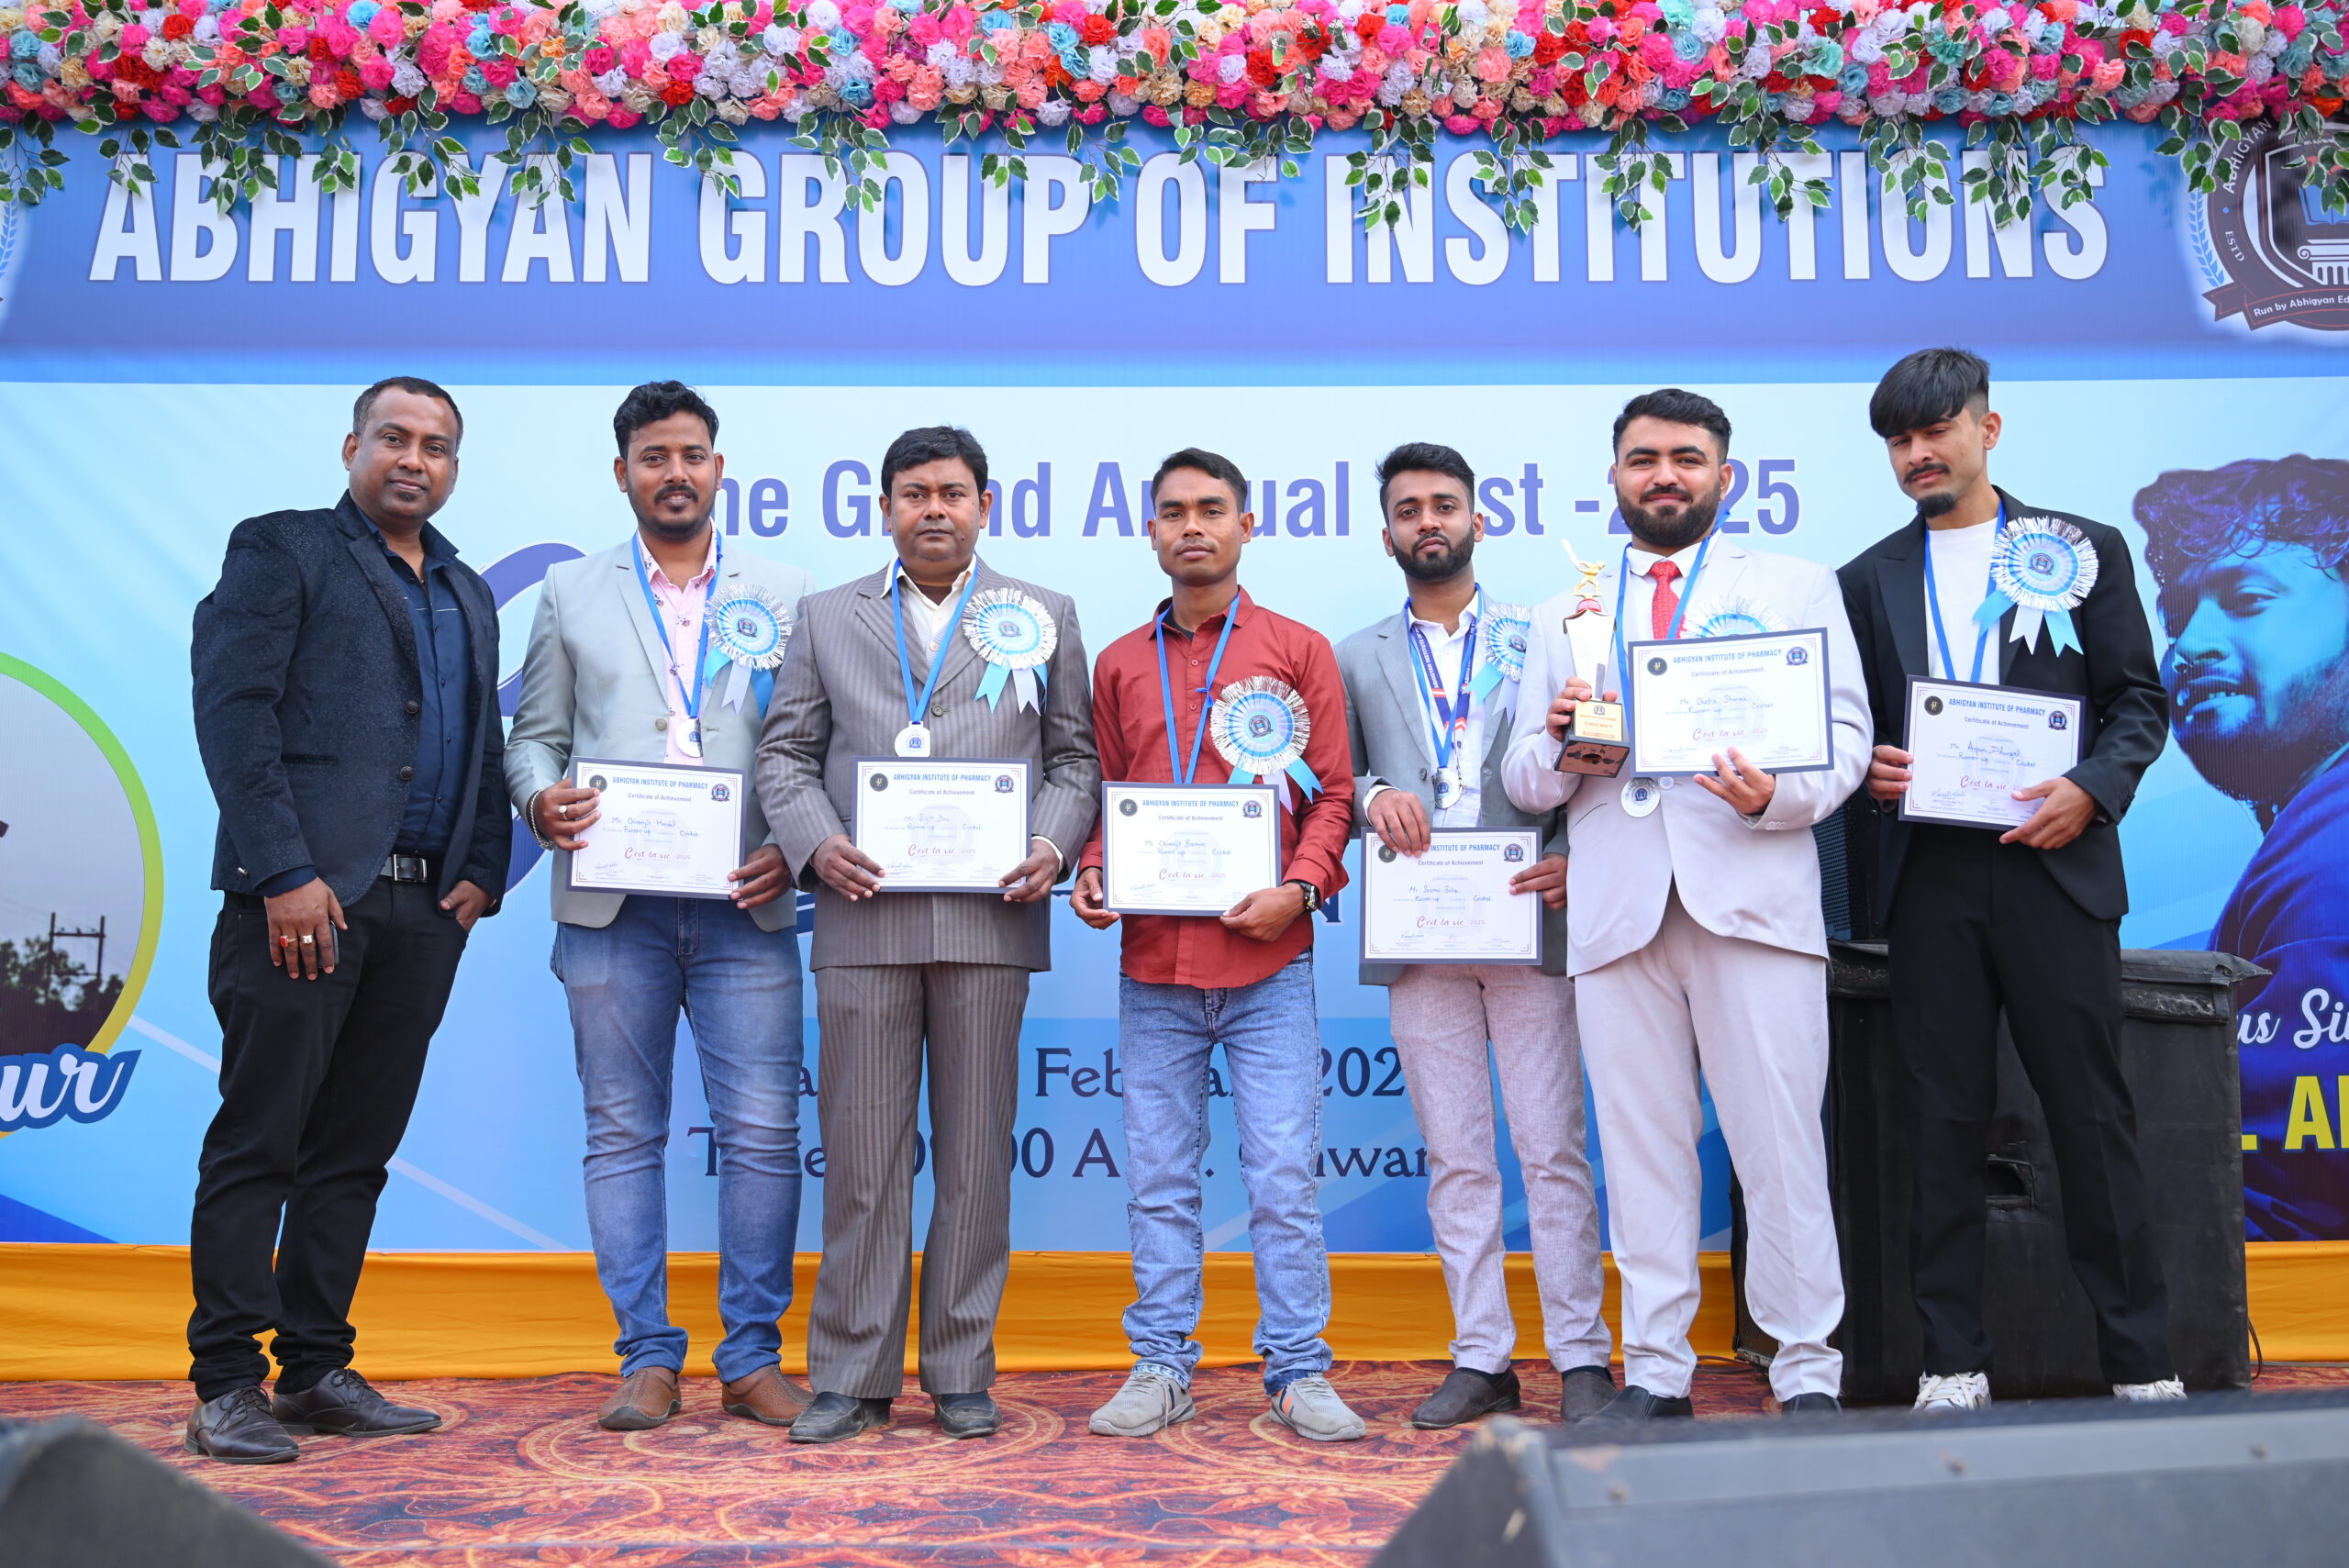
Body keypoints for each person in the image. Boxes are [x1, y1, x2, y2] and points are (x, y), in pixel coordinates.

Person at [1502, 389, 1867, 1421]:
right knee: (1640, 1154)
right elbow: (1525, 779)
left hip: (1751, 901)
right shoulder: (1562, 612)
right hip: (1618, 914)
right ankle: (1657, 1371)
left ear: (1724, 476)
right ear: (1615, 476)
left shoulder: (1794, 585)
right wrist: (1561, 739)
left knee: (1781, 1146)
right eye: (1644, 458)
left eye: (1687, 458)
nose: (1665, 474)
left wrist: (1772, 796)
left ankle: (1807, 1367)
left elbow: (1844, 739)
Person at [1842, 348, 2179, 1408]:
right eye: (1898, 439)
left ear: (1986, 429)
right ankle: (1951, 1359)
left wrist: (2091, 787)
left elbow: (2138, 702)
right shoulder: (1865, 578)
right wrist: (1869, 771)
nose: (1916, 453)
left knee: (2091, 1118)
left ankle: (2142, 1359)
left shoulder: (2081, 549)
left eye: (1934, 430)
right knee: (1938, 1121)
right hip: (1928, 878)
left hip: (2053, 866)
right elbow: (1853, 736)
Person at [185, 377, 508, 1463]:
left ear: (454, 466)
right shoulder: (282, 549)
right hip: (300, 903)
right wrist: (283, 869)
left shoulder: (466, 587)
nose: (414, 458)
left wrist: (482, 867)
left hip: (422, 910)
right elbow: (233, 713)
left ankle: (316, 1367)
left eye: (437, 445)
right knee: (260, 1140)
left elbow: (480, 741)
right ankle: (227, 1380)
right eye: (394, 438)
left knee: (355, 1151)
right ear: (351, 447)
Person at [754, 426, 1098, 1444]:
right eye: (914, 493)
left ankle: (959, 1368)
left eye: (952, 492)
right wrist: (816, 842)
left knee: (977, 1157)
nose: (934, 509)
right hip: (864, 917)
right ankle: (851, 1374)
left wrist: (1051, 841)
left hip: (991, 920)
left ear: (986, 505)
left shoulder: (1043, 613)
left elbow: (1075, 759)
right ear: (886, 508)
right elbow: (785, 754)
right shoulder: (827, 615)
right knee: (862, 1159)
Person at [506, 383, 815, 1432]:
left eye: (691, 454)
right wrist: (539, 798)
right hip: (613, 905)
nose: (674, 473)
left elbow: (809, 745)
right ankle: (644, 1354)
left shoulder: (787, 592)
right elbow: (534, 737)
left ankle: (752, 1355)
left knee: (764, 1133)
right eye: (653, 457)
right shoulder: (569, 591)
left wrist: (791, 845)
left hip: (744, 904)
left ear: (719, 468)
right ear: (622, 472)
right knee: (622, 1131)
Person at [1072, 448, 1364, 1442]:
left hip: (1269, 964)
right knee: (1158, 1178)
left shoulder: (1299, 650)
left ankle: (1298, 1369)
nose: (1191, 526)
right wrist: (1096, 869)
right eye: (1173, 512)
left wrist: (1299, 889)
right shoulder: (1118, 662)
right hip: (1154, 965)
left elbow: (1333, 795)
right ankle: (1161, 1365)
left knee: (1283, 1176)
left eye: (1210, 508)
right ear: (1149, 531)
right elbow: (1106, 798)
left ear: (1246, 523)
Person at [1333, 442, 1611, 1428]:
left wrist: (1575, 853)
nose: (1428, 522)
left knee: (1551, 1149)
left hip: (1529, 917)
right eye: (1409, 509)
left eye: (1444, 505)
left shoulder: (1545, 634)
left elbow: (1590, 757)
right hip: (1421, 935)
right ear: (1387, 535)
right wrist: (1372, 796)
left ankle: (1582, 1356)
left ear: (1477, 521)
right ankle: (1483, 1354)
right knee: (1456, 1156)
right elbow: (1337, 776)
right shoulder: (1356, 653)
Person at [2135, 455, 2349, 1242]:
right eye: (2176, 616)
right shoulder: (2309, 827)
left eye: (2249, 600)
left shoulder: (2328, 868)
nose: (2190, 644)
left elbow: (2294, 1198)